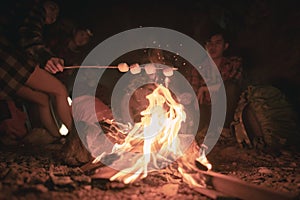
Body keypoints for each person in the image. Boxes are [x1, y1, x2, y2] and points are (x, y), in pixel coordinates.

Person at [0, 1, 72, 141]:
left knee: (43, 99)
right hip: (9, 62)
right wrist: (45, 57)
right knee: (60, 90)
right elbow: (28, 33)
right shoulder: (34, 7)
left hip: (6, 75)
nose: (54, 14)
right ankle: (77, 138)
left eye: (57, 14)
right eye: (52, 8)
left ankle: (57, 138)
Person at [195, 26, 243, 137]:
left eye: (217, 43)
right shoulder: (199, 68)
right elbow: (195, 92)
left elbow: (231, 86)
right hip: (207, 109)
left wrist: (205, 89)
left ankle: (224, 128)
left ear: (225, 46)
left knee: (230, 88)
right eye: (209, 43)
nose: (212, 47)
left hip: (228, 109)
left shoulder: (233, 63)